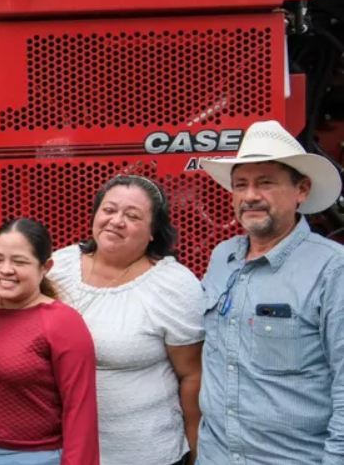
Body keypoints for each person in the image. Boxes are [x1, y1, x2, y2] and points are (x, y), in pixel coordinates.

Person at [196, 120, 344, 464]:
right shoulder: (223, 257)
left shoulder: (333, 269)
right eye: (241, 185)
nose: (250, 196)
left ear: (301, 190)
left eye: (265, 183)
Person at [50, 175, 204, 465]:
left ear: (152, 233)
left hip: (145, 453)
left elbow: (192, 376)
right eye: (108, 210)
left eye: (132, 216)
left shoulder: (173, 285)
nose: (116, 221)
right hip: (65, 450)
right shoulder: (57, 265)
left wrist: (198, 453)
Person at [0, 218, 99, 465]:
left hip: (33, 458)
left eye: (19, 262)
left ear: (45, 267)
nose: (5, 269)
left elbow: (80, 411)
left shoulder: (64, 323)